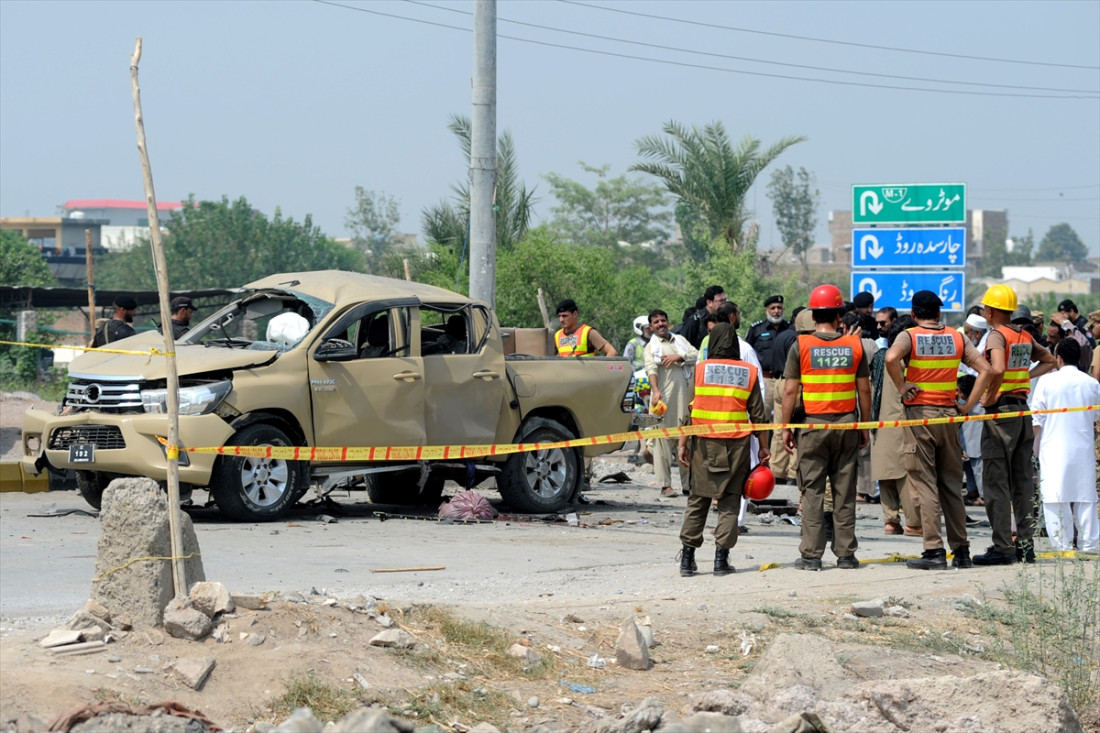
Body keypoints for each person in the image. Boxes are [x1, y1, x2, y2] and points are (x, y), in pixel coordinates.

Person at [885, 291, 992, 570]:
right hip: (948, 418)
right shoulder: (957, 338)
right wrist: (967, 405)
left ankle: (933, 550)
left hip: (921, 418)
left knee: (925, 484)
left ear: (913, 312)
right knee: (951, 486)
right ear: (939, 314)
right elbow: (986, 370)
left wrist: (901, 386)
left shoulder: (909, 336)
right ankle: (962, 551)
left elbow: (890, 359)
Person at [781, 284, 870, 570]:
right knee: (844, 491)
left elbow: (789, 392)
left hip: (812, 428)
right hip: (846, 425)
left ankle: (812, 555)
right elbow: (864, 391)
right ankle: (846, 554)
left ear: (814, 313)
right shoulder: (854, 345)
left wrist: (785, 427)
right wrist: (864, 427)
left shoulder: (801, 345)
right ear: (839, 314)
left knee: (812, 491)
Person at [675, 323, 770, 577]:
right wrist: (763, 448)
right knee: (730, 500)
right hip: (736, 445)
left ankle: (687, 559)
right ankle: (720, 560)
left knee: (698, 499)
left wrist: (682, 444)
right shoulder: (749, 372)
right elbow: (759, 416)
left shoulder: (700, 369)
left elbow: (688, 412)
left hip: (703, 444)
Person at [974, 284, 1056, 566]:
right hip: (1023, 413)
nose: (984, 312)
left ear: (992, 310)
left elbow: (995, 368)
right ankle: (1025, 545)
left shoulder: (996, 336)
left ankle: (1002, 547)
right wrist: (1025, 377)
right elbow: (1050, 360)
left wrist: (993, 394)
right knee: (1022, 483)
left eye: (986, 307)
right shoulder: (1022, 335)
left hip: (1002, 415)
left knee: (996, 483)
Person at [1031, 339, 1100, 554]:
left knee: (1054, 497)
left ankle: (1062, 546)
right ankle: (1090, 545)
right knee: (1085, 496)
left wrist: (1036, 449)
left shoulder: (1046, 382)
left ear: (1058, 358)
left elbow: (1036, 420)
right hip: (1082, 447)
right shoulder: (1091, 383)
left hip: (1053, 448)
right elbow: (1096, 416)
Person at [870, 315, 921, 536]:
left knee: (885, 472)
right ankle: (914, 523)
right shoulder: (907, 361)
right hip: (903, 422)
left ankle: (891, 521)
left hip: (879, 421)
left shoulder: (880, 357)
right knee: (906, 474)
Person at [645, 309, 698, 497]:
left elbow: (696, 355)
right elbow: (651, 369)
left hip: (685, 398)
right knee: (662, 442)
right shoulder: (651, 347)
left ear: (668, 322)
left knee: (687, 441)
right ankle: (665, 485)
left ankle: (688, 485)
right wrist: (656, 391)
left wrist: (679, 357)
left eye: (663, 320)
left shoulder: (680, 341)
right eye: (656, 322)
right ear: (651, 327)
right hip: (663, 400)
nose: (660, 324)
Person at [747, 295, 791, 480]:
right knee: (759, 423)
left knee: (781, 426)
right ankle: (756, 463)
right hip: (762, 381)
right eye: (773, 308)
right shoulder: (756, 330)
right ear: (767, 310)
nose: (776, 311)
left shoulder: (790, 329)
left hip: (783, 380)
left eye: (779, 307)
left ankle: (778, 470)